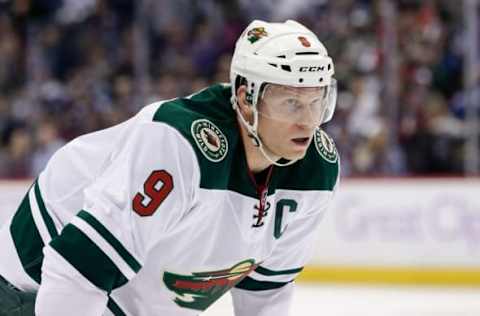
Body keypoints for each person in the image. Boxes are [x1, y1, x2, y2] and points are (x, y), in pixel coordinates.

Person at [0, 19, 339, 316]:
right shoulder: (178, 143)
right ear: (247, 99)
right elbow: (80, 268)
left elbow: (267, 293)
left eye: (316, 101)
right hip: (32, 285)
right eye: (291, 102)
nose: (308, 122)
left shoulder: (317, 170)